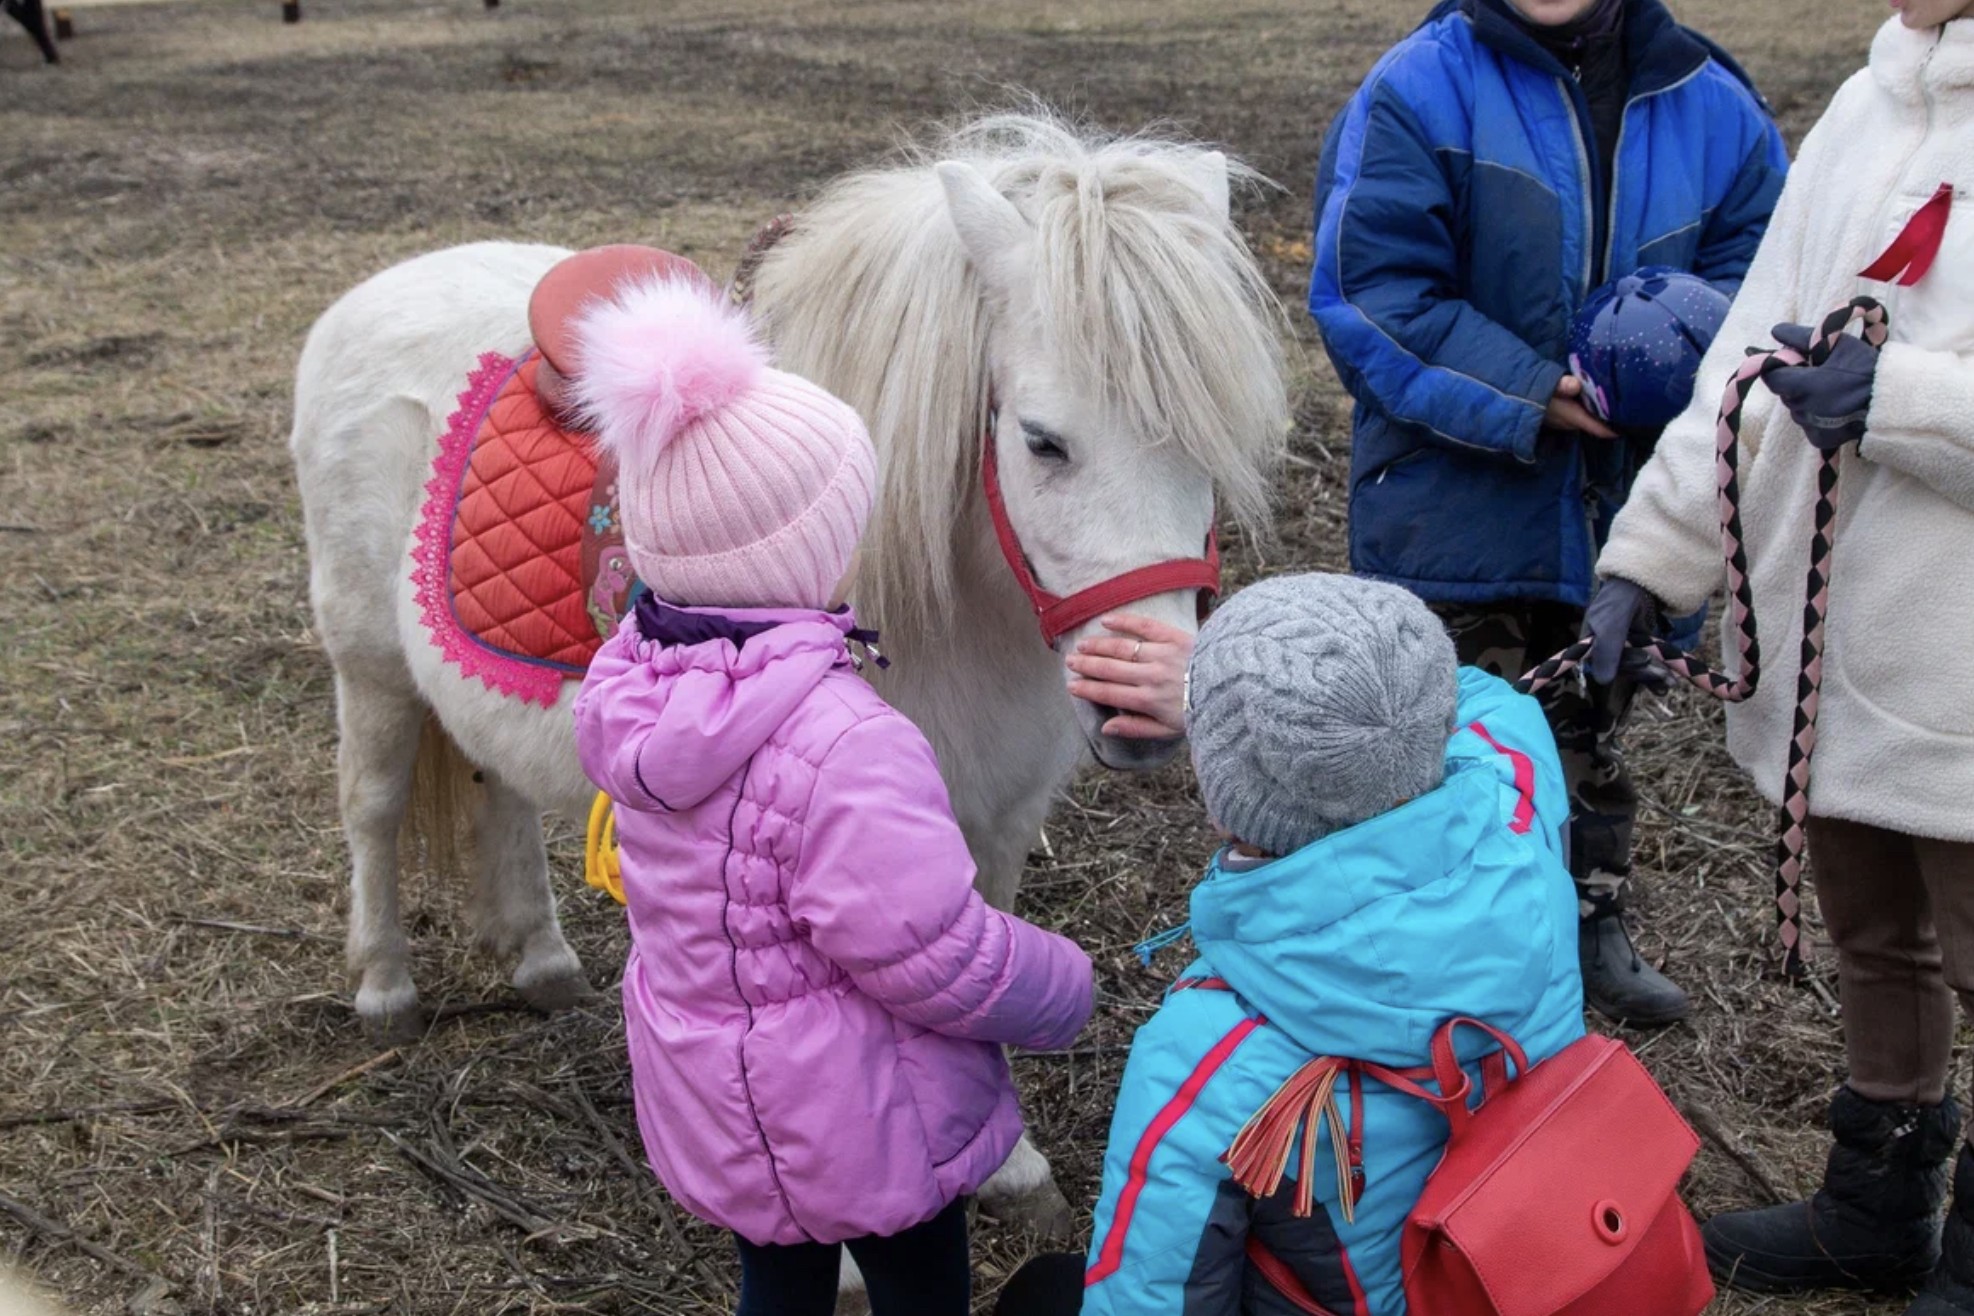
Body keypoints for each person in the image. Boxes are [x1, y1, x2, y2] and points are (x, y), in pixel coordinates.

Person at [1074, 0, 1789, 1028]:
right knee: (1429, 741)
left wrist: (1682, 362)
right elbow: (1372, 297)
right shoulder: (1418, 89)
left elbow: (1760, 284)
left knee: (1591, 723)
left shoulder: (1714, 107)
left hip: (1619, 508)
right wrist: (1534, 388)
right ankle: (1417, 948)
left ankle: (1583, 921)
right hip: (1457, 516)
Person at [570, 277, 1096, 1316]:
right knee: (919, 1291)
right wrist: (1062, 985)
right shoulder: (848, 739)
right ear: (816, 552)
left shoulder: (632, 692)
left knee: (779, 1279)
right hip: (872, 1114)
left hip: (723, 1098)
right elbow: (930, 950)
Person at [1582, 2, 1974, 1308]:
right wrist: (1650, 562)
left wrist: (1905, 400)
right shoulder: (1868, 110)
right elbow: (1741, 361)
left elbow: (1885, 386)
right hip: (1835, 634)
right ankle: (1876, 1207)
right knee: (1873, 931)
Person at [1009, 573, 1585, 1315]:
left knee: (1039, 1295)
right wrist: (1220, 692)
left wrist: (1206, 696)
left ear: (1223, 804)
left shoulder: (1207, 1057)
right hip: (1532, 1262)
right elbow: (1487, 700)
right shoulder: (1520, 803)